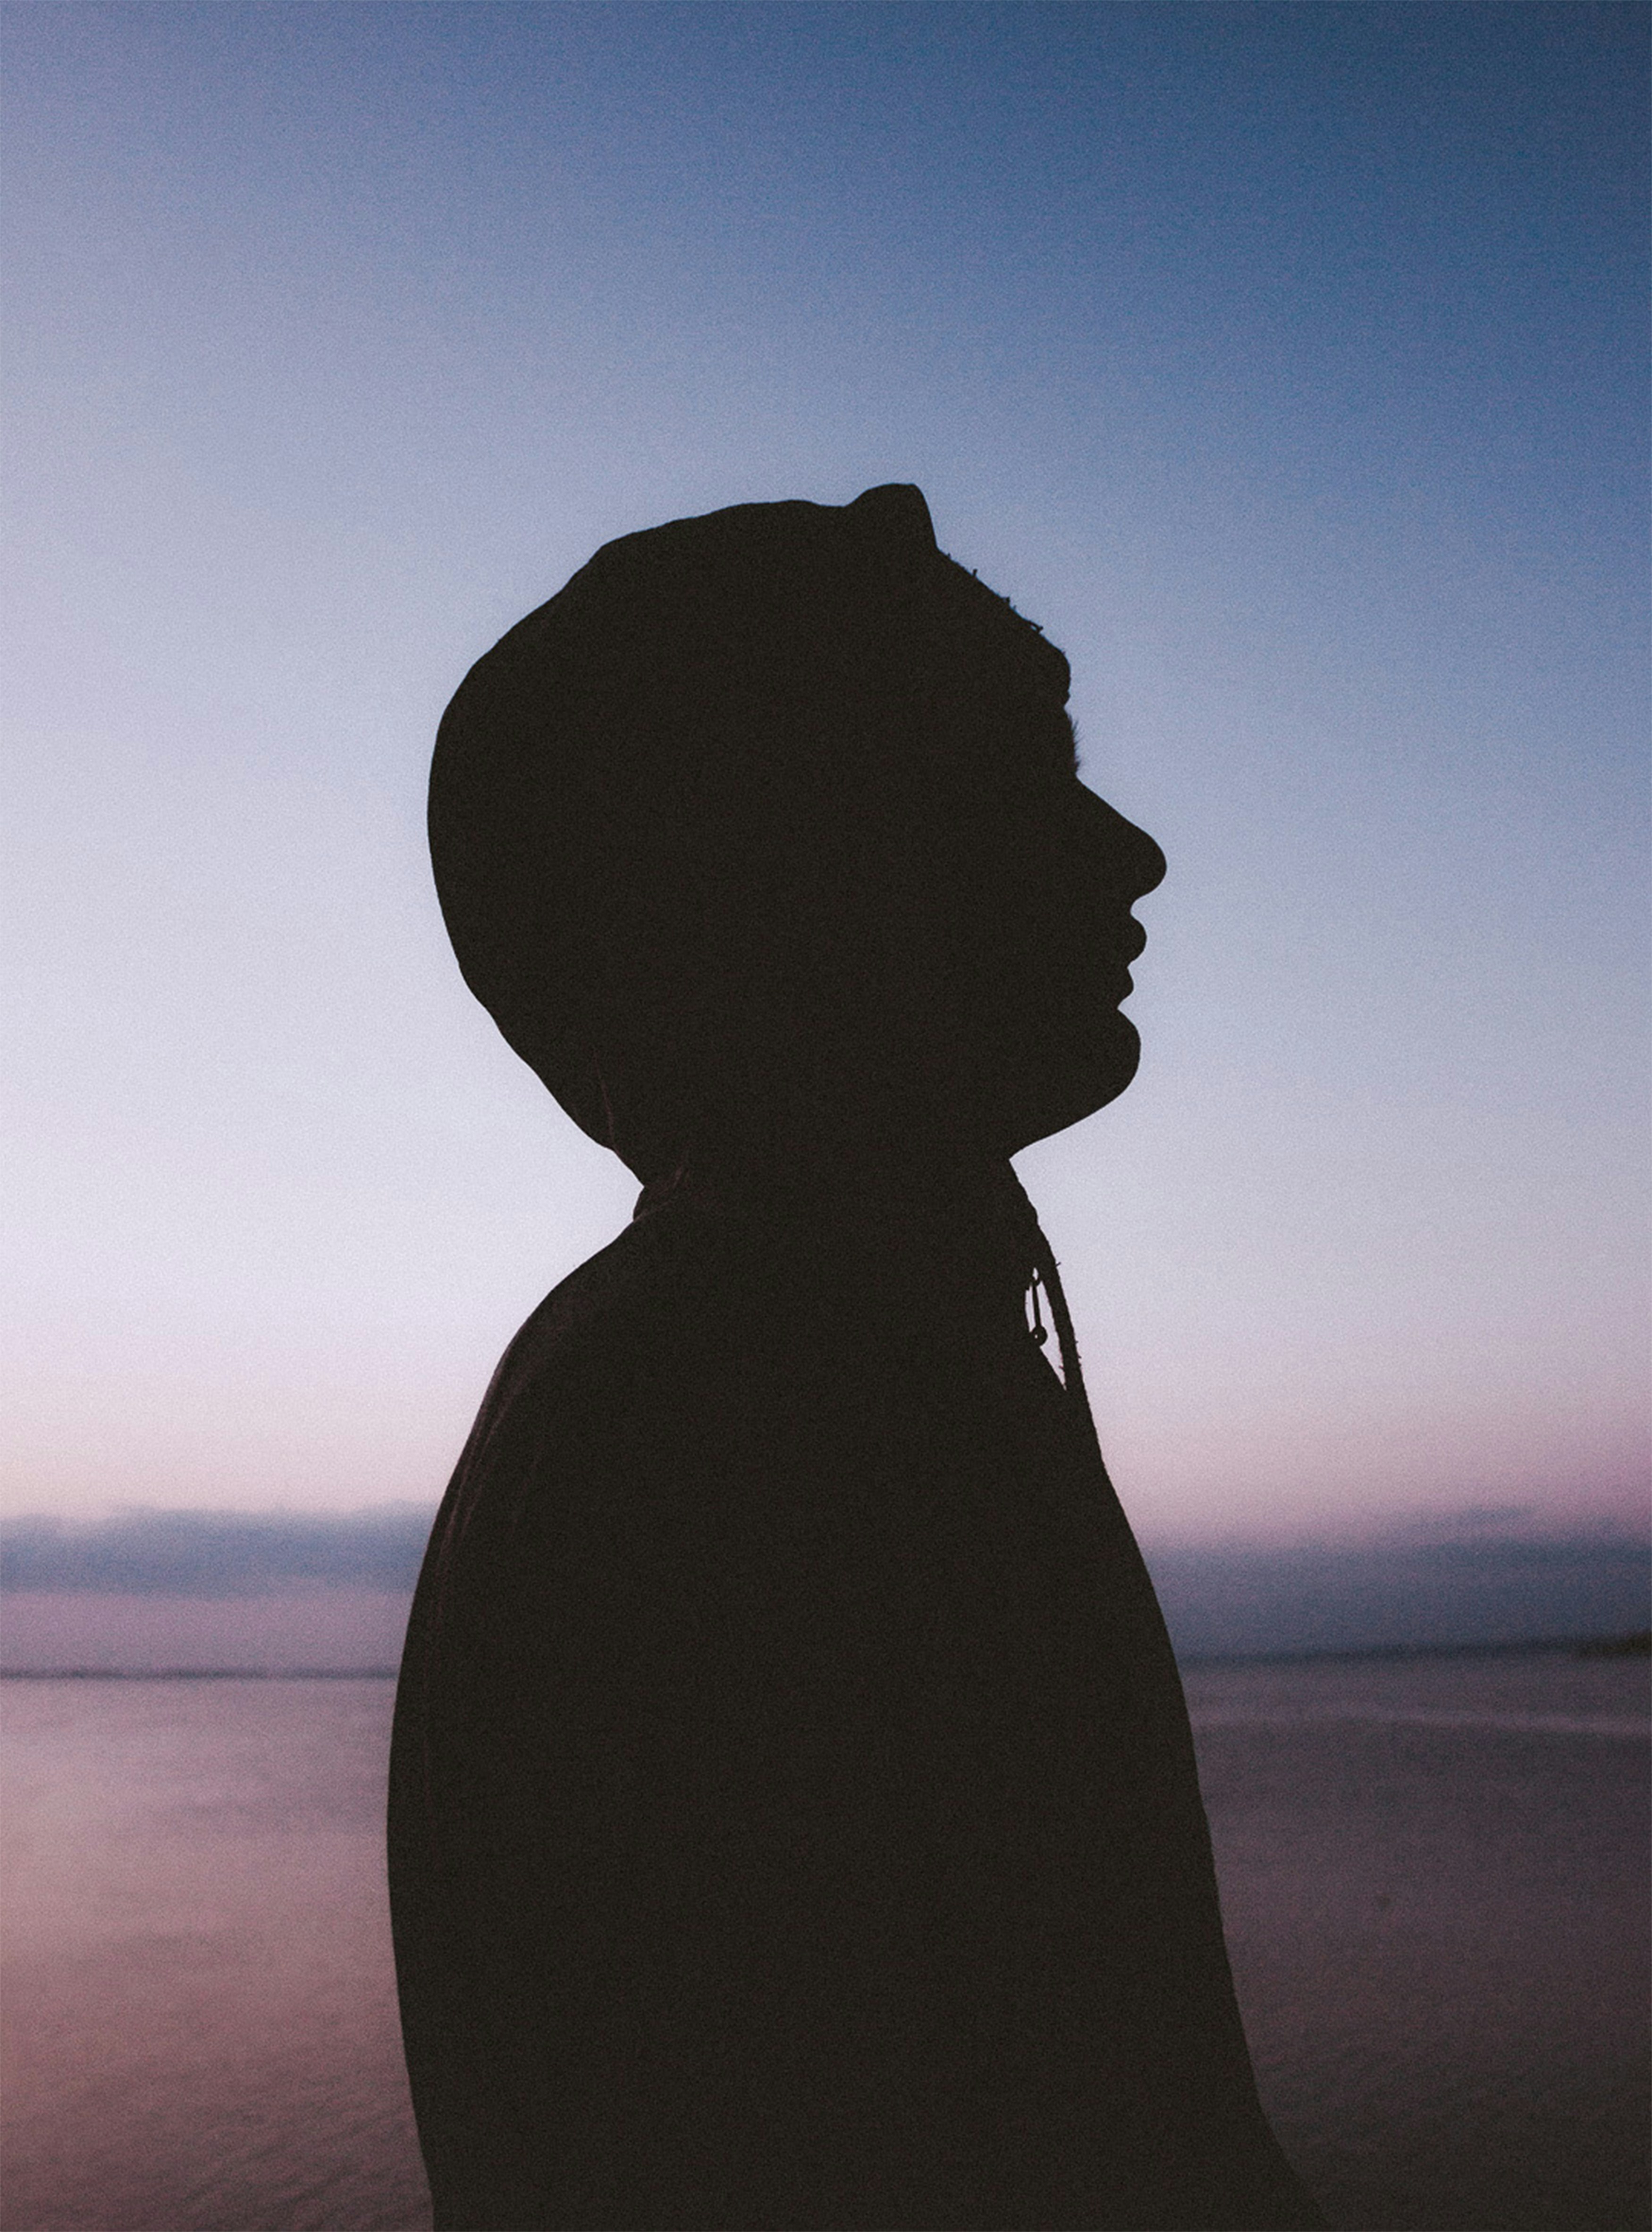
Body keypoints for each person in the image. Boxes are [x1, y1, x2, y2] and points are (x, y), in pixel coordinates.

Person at [388, 484, 1326, 2231]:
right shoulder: (737, 1437)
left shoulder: (805, 1357)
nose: (1130, 852)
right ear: (797, 856)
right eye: (1020, 769)